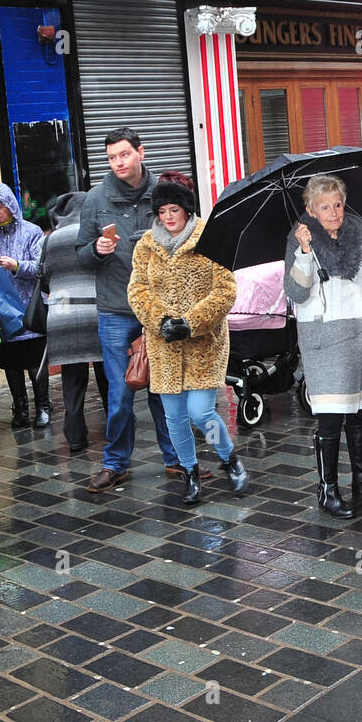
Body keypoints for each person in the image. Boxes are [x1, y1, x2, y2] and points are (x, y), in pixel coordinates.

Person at [127, 173, 247, 505]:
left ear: (186, 210)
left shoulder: (211, 238)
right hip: (163, 346)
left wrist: (191, 322)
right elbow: (137, 291)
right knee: (174, 418)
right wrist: (160, 320)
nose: (168, 216)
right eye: (162, 210)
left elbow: (225, 291)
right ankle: (191, 472)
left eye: (174, 210)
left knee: (200, 413)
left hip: (204, 346)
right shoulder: (146, 245)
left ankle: (228, 458)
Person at [285, 173, 362, 519]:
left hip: (359, 336)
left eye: (337, 204)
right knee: (331, 419)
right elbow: (296, 294)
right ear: (310, 209)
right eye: (324, 206)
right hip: (324, 341)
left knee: (359, 414)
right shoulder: (298, 240)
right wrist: (305, 253)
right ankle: (327, 489)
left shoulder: (358, 237)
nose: (333, 212)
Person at [76, 127, 180, 493]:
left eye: (124, 154)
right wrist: (96, 250)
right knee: (121, 393)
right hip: (116, 310)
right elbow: (81, 253)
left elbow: (182, 239)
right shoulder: (96, 199)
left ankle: (176, 459)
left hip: (157, 310)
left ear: (141, 152)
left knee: (164, 389)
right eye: (111, 157)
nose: (118, 162)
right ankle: (115, 464)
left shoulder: (163, 193)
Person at [0, 183, 50, 429]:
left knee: (35, 360)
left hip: (29, 306)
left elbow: (41, 267)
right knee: (11, 362)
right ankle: (20, 408)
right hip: (1, 309)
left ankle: (43, 406)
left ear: (11, 207)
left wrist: (17, 265)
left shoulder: (32, 232)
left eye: (1, 208)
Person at [40, 191, 108, 452]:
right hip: (96, 310)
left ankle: (76, 437)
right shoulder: (95, 235)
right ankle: (116, 428)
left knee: (72, 380)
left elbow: (43, 277)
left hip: (63, 315)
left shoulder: (50, 240)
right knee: (106, 376)